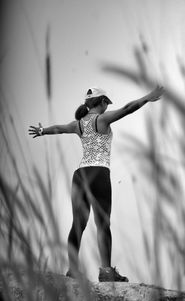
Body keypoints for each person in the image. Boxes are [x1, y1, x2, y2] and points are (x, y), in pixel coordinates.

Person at [29, 86, 164, 282]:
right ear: (102, 102)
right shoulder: (102, 119)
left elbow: (59, 128)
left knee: (78, 224)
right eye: (106, 103)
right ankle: (106, 271)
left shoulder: (78, 124)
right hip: (98, 172)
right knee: (102, 224)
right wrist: (147, 98)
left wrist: (42, 131)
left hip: (80, 174)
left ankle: (73, 270)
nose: (107, 106)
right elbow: (127, 108)